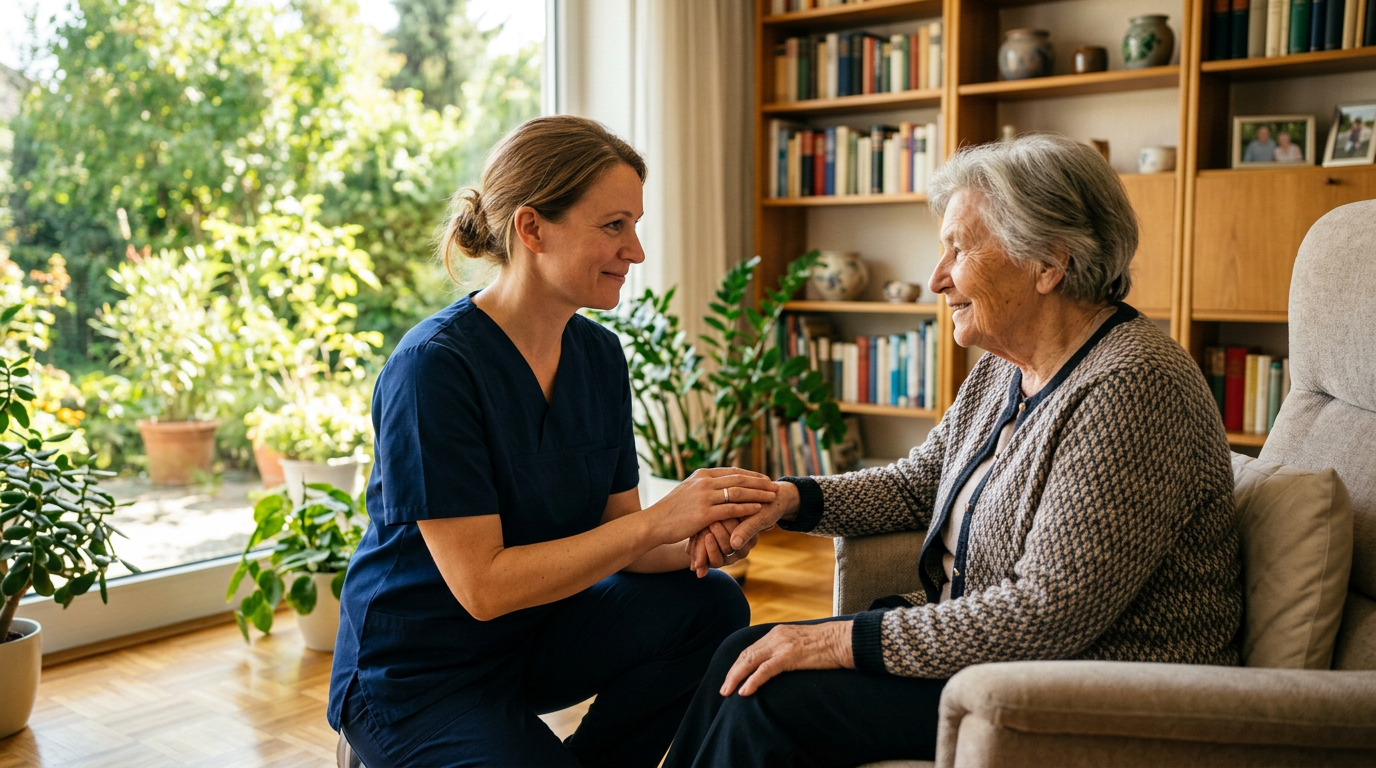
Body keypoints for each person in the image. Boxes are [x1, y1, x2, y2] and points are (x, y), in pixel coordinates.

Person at [664, 134, 1244, 768]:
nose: (937, 278)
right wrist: (785, 500)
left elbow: (1048, 613)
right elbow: (921, 484)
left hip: (1087, 690)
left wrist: (843, 641)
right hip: (986, 659)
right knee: (738, 654)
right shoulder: (1005, 367)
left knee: (768, 698)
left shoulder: (1135, 386)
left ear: (1049, 263)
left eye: (959, 250)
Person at [327, 115, 773, 768]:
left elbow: (621, 533)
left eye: (635, 225)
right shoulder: (434, 367)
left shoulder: (598, 356)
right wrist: (660, 521)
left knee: (710, 604)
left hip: (533, 639)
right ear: (532, 228)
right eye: (613, 225)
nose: (636, 251)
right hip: (416, 674)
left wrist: (702, 538)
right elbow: (482, 587)